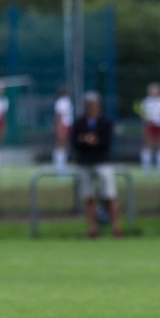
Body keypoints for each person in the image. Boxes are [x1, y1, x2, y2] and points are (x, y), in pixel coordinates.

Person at [70, 91, 122, 239]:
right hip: (85, 162)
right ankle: (92, 229)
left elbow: (106, 142)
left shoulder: (106, 122)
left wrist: (93, 141)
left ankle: (116, 229)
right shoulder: (79, 122)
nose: (90, 107)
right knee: (88, 197)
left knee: (110, 195)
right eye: (88, 104)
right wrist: (85, 141)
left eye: (93, 104)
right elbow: (74, 142)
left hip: (102, 162)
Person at [138, 82, 160, 173]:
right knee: (147, 146)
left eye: (155, 90)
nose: (154, 92)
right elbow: (143, 115)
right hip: (150, 126)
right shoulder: (146, 101)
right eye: (152, 90)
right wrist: (147, 119)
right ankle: (146, 168)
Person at [53, 86, 74, 170]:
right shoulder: (61, 102)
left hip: (66, 125)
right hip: (63, 125)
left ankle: (62, 164)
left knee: (63, 146)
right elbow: (59, 115)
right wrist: (59, 126)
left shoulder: (65, 101)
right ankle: (59, 166)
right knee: (61, 145)